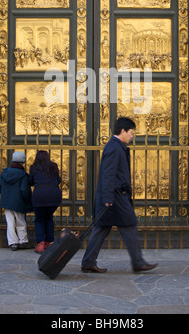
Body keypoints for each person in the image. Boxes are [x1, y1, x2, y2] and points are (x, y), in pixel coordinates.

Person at [81, 117, 158, 273]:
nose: (132, 136)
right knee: (129, 224)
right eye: (131, 132)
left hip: (113, 196)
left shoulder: (115, 146)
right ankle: (138, 262)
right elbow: (108, 175)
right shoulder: (115, 148)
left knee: (102, 228)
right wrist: (108, 198)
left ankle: (88, 262)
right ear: (123, 131)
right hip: (115, 197)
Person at [0, 151, 32, 251]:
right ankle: (23, 240)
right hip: (19, 201)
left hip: (7, 201)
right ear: (22, 162)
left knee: (10, 222)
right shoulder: (23, 175)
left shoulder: (4, 173)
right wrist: (27, 200)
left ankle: (13, 242)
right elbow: (24, 190)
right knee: (20, 221)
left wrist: (5, 195)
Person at [29, 150, 62, 254]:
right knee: (49, 218)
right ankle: (49, 242)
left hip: (39, 195)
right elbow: (59, 180)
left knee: (39, 219)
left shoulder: (34, 167)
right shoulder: (54, 166)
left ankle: (40, 244)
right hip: (54, 194)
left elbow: (31, 182)